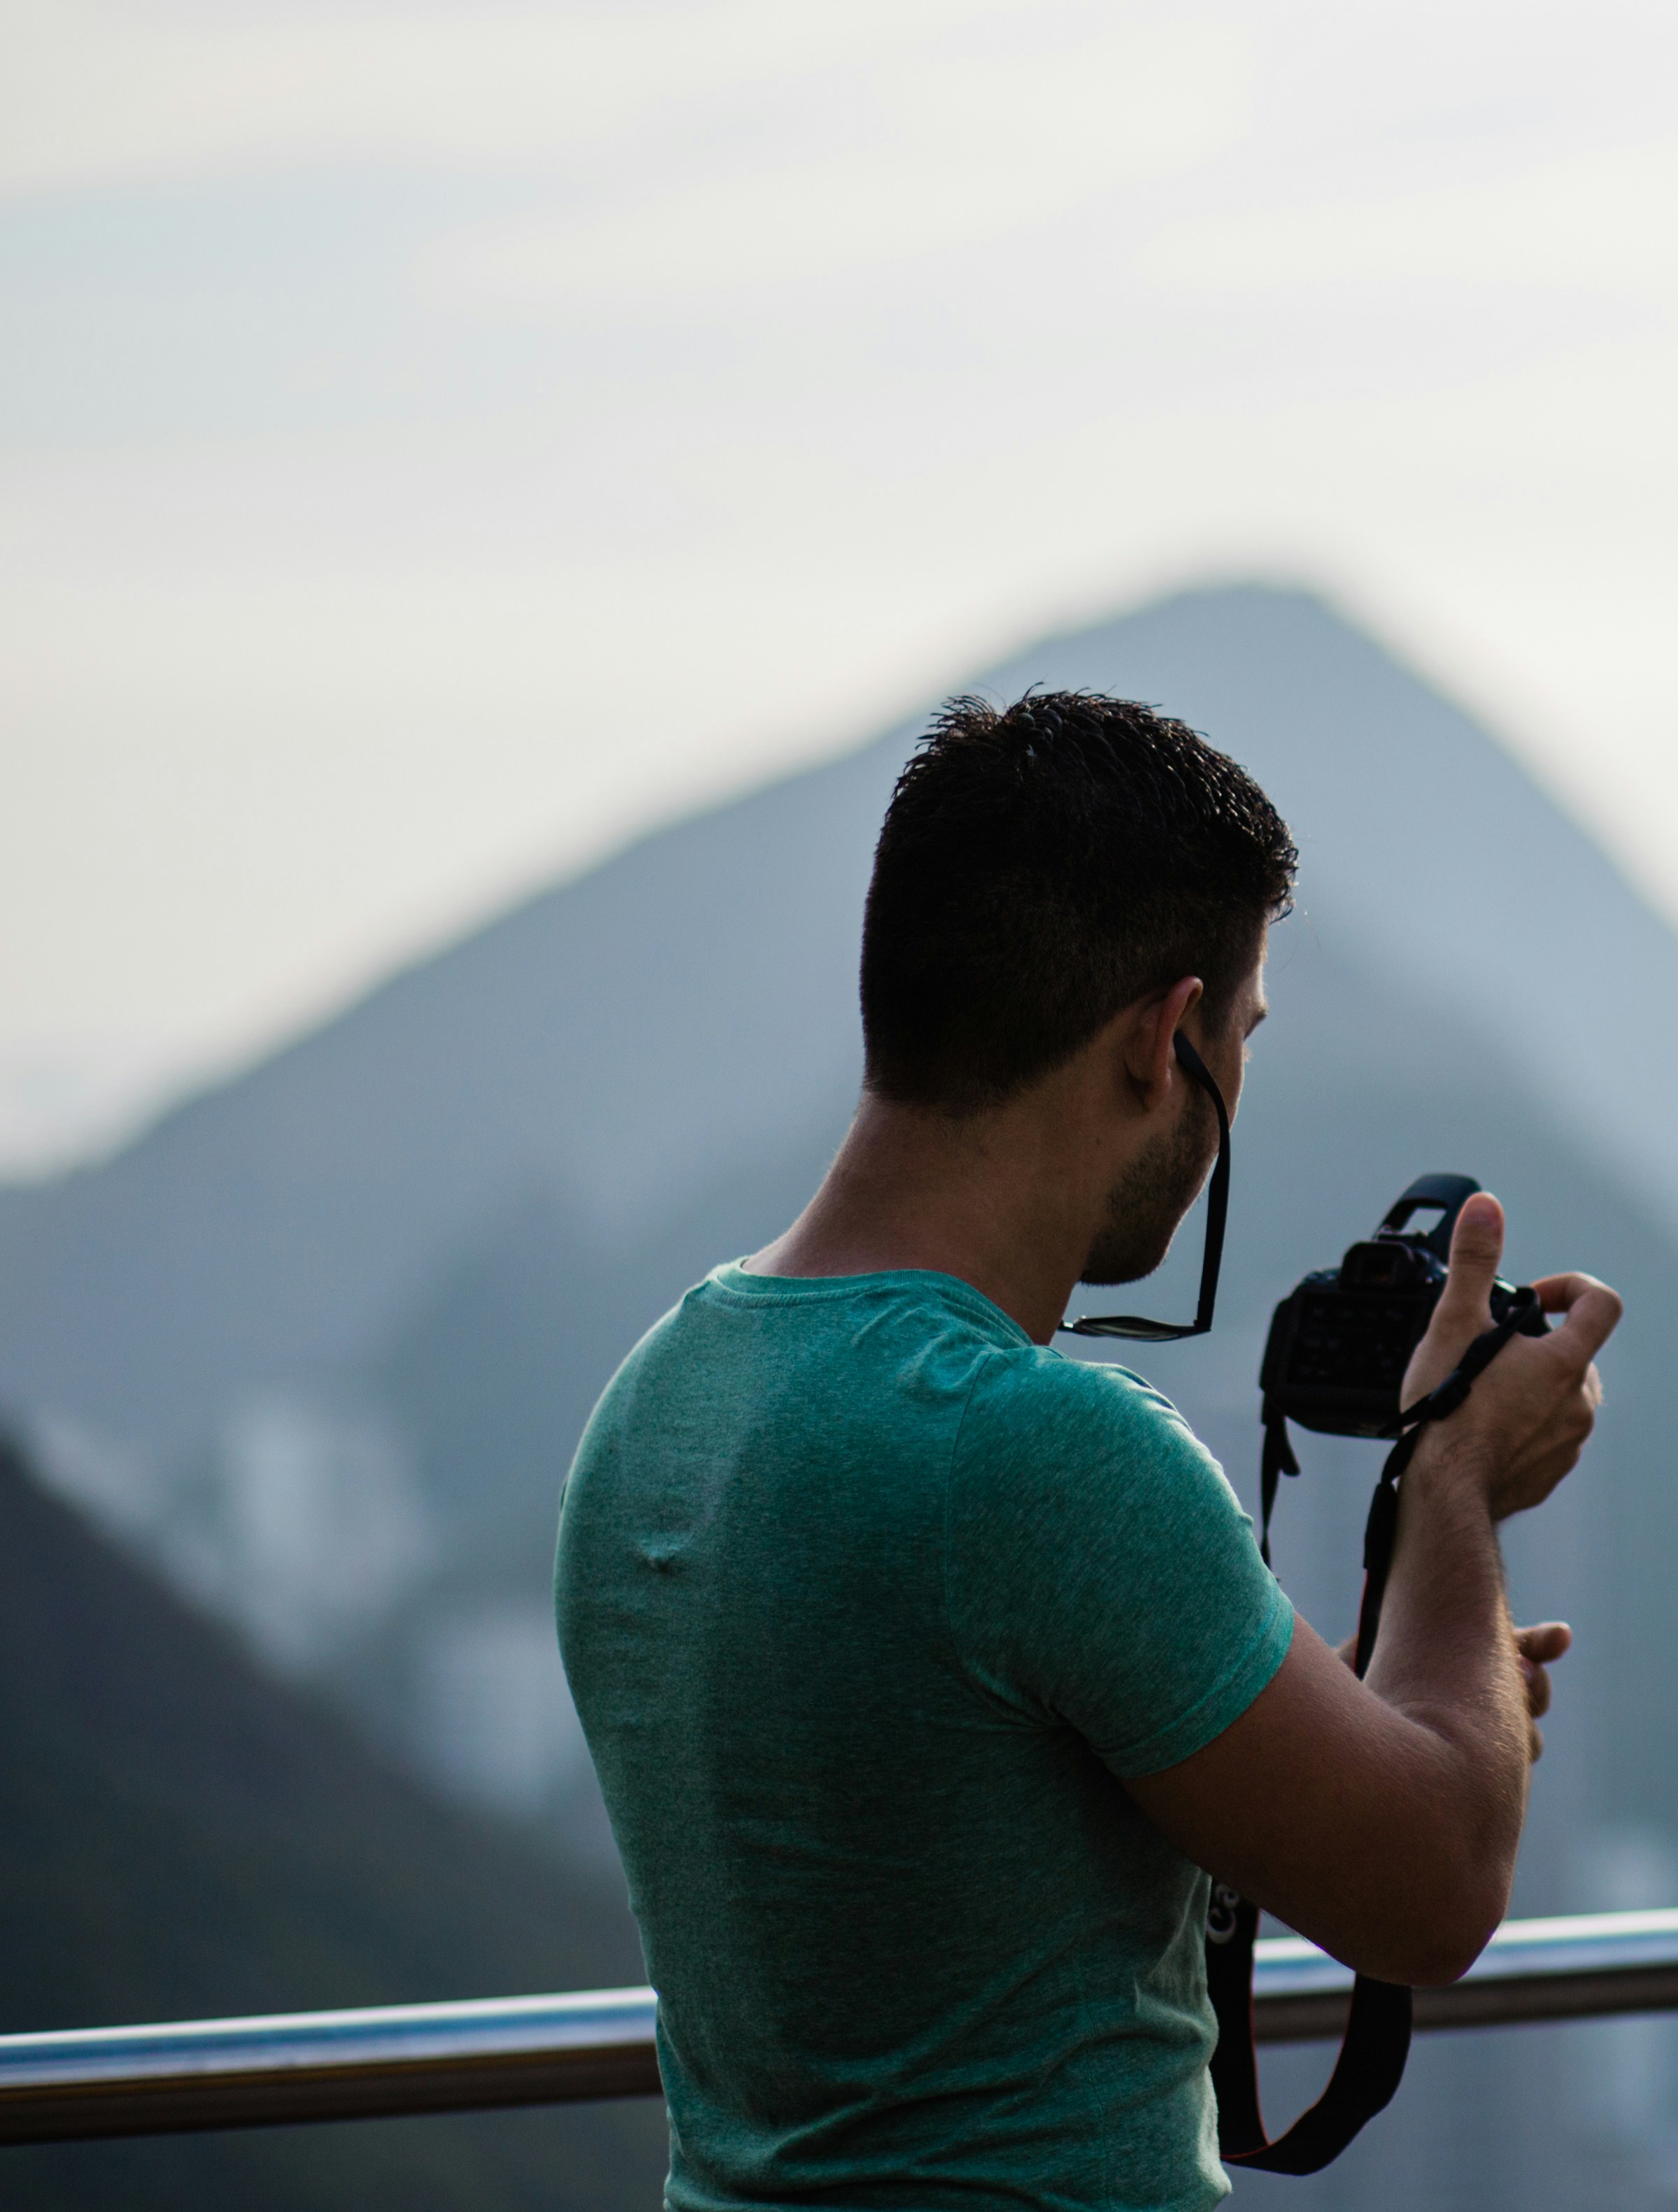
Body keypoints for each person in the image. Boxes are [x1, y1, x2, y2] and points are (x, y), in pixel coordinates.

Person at [556, 689, 1614, 2211]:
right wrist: (1454, 1471)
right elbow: (1434, 1887)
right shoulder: (1048, 1456)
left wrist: (1382, 1683)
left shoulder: (656, 1397)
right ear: (1160, 1038)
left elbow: (950, 1815)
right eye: (1238, 1038)